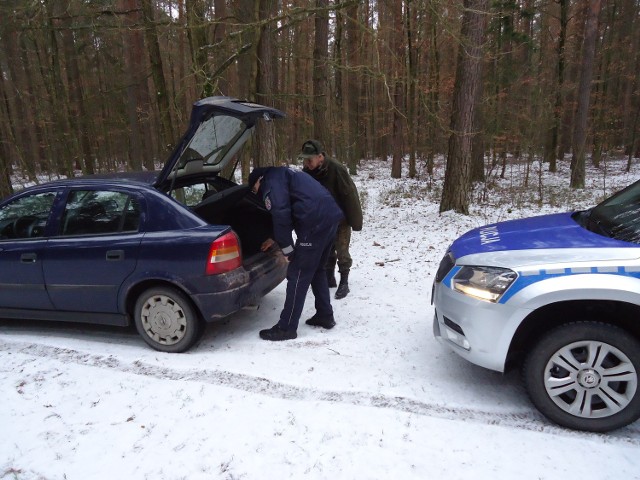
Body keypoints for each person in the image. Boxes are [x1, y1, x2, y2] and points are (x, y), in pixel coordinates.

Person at [248, 166, 344, 341]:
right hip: (330, 218)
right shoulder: (284, 174)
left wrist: (287, 249)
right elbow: (295, 205)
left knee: (297, 274)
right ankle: (325, 315)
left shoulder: (270, 183)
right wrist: (273, 237)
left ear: (258, 180)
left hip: (314, 224)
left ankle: (286, 328)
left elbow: (281, 213)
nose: (257, 193)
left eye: (255, 189)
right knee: (317, 270)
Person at [300, 139, 363, 299]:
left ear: (320, 156)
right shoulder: (307, 172)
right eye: (305, 160)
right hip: (321, 219)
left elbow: (350, 195)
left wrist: (354, 220)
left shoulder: (337, 169)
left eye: (310, 160)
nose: (307, 163)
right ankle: (329, 277)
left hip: (340, 218)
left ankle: (344, 282)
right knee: (326, 250)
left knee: (342, 250)